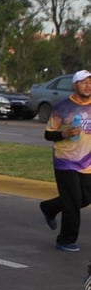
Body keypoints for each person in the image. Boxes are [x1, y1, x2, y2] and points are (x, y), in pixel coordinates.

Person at [39, 69, 91, 251]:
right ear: (75, 85)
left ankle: (50, 207)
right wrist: (65, 133)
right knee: (73, 201)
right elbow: (48, 134)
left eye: (90, 82)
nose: (88, 85)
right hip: (66, 160)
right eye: (84, 82)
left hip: (87, 162)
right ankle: (65, 240)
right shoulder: (62, 107)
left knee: (85, 198)